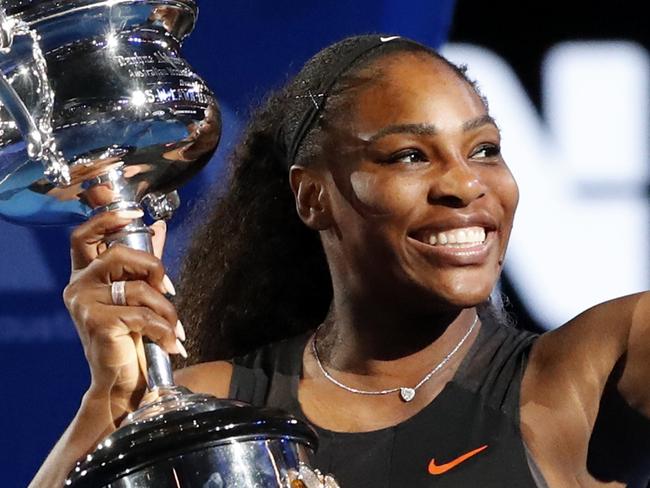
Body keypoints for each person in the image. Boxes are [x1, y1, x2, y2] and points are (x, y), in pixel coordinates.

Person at [30, 35, 649, 487]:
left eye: (484, 148)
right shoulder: (221, 404)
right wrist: (114, 402)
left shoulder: (587, 369)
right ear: (313, 196)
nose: (464, 184)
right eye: (409, 155)